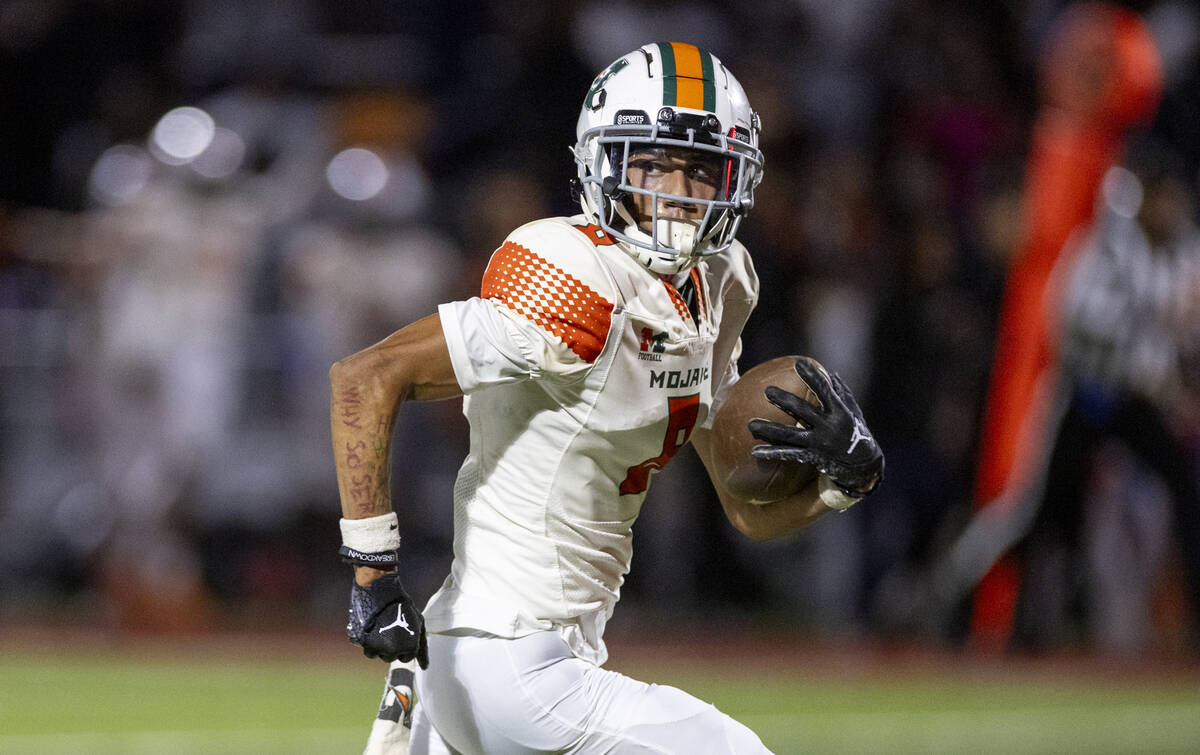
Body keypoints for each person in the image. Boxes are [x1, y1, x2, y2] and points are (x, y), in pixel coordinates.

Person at [329, 42, 884, 755]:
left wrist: (839, 487)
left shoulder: (722, 282)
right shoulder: (575, 274)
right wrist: (373, 574)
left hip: (492, 660)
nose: (678, 189)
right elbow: (366, 376)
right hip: (509, 660)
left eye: (699, 167)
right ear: (604, 164)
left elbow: (745, 509)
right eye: (654, 163)